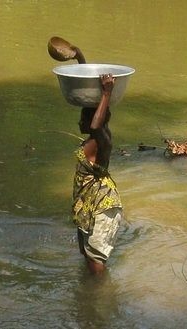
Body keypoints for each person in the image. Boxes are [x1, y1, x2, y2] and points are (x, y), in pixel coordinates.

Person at [72, 74, 123, 274]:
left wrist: (107, 92)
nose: (79, 122)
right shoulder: (92, 140)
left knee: (95, 260)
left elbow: (97, 125)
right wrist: (78, 56)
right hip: (88, 206)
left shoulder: (103, 141)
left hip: (103, 206)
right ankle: (86, 296)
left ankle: (101, 295)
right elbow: (84, 85)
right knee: (86, 254)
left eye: (83, 118)